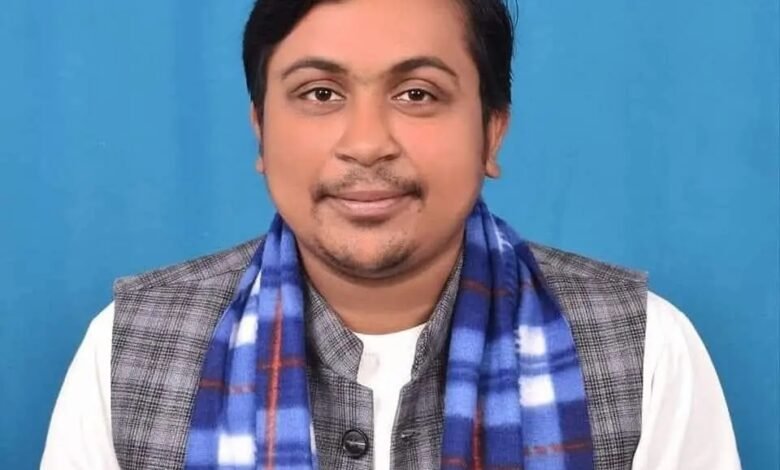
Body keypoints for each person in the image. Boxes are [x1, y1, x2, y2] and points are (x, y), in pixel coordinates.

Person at [41, 0, 741, 469]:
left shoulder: (641, 350)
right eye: (321, 94)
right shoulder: (131, 349)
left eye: (417, 94)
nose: (367, 142)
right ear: (260, 130)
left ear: (492, 130)